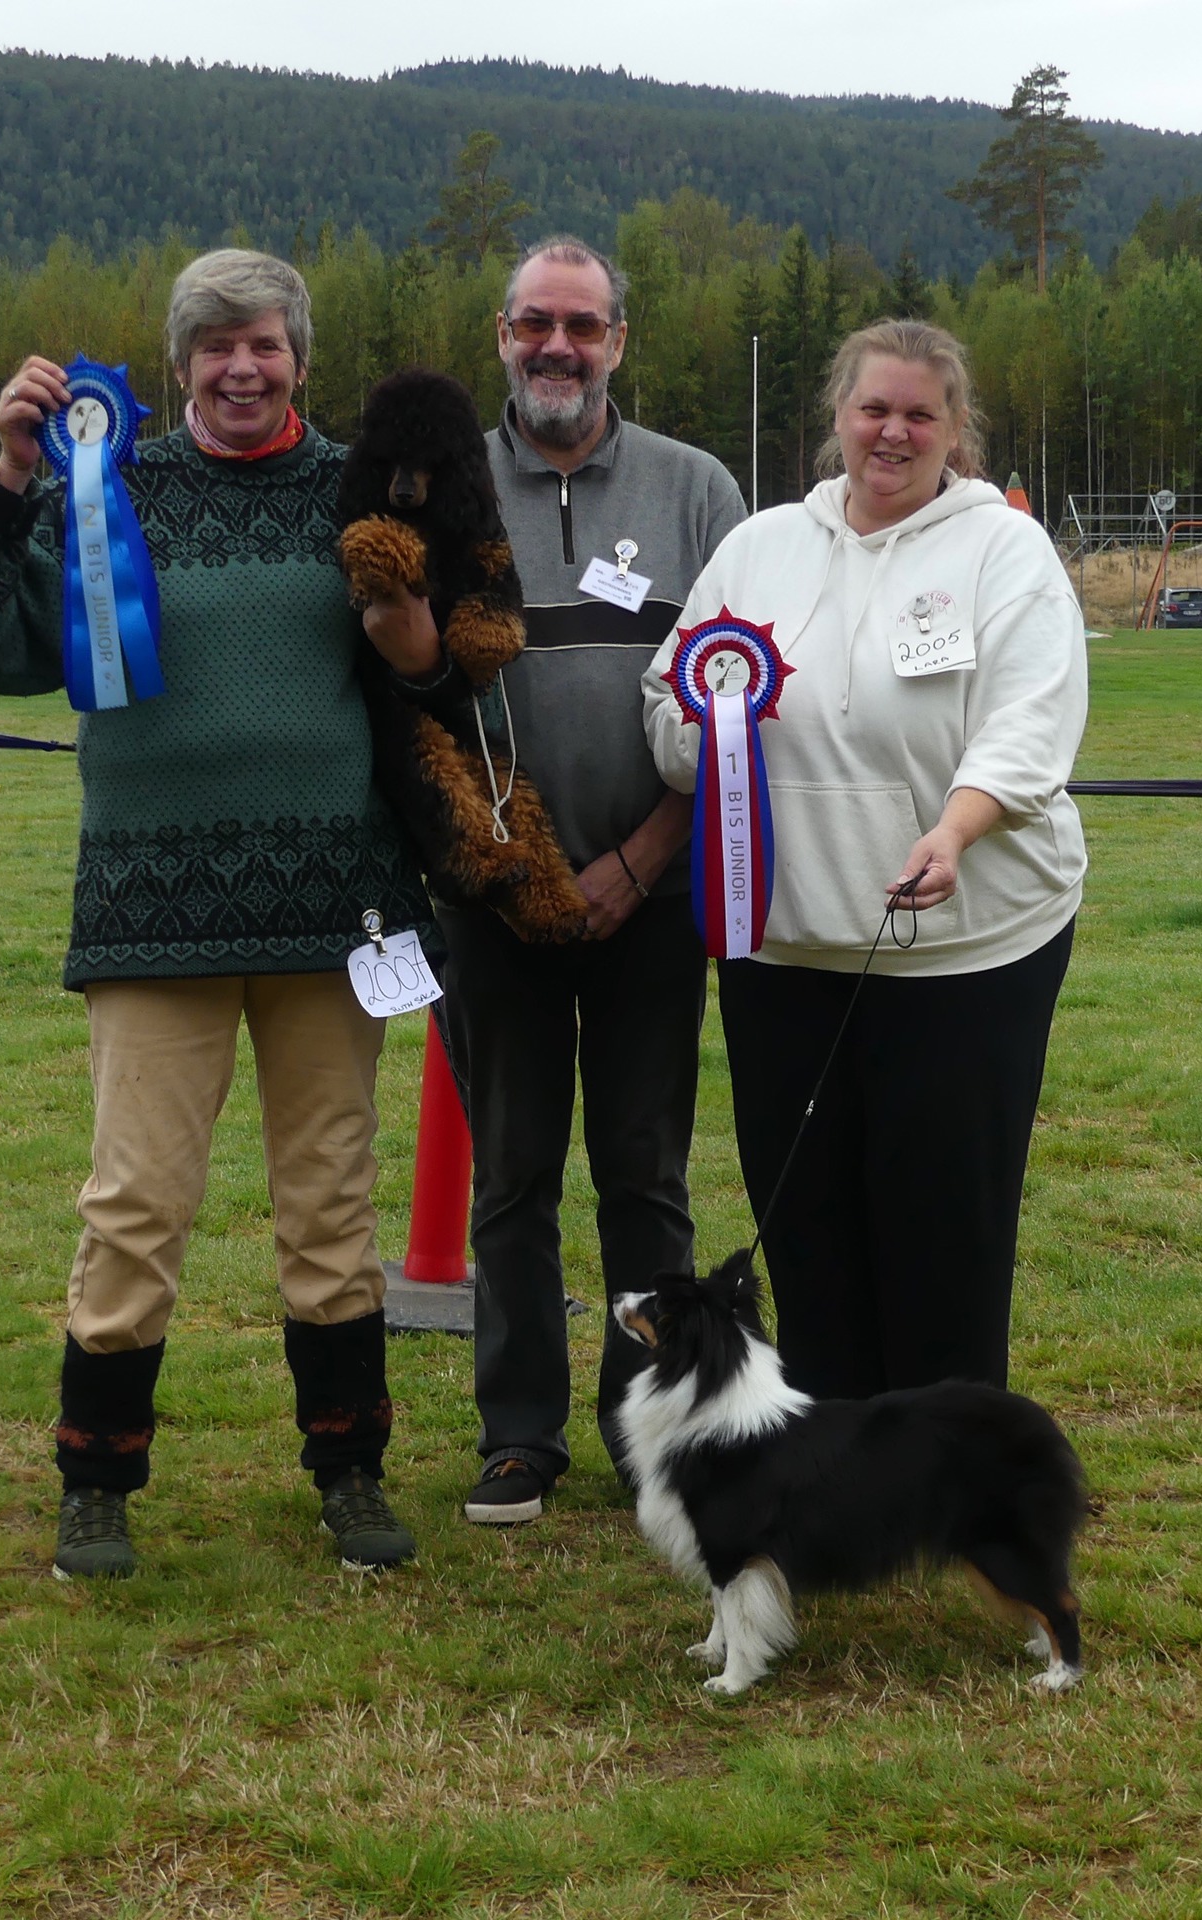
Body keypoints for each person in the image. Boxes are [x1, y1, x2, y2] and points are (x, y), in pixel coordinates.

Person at [0, 250, 436, 1579]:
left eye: (263, 344)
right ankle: (96, 1483)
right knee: (135, 1203)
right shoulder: (101, 484)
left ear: (300, 357)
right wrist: (9, 473)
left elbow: (433, 660)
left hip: (333, 910)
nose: (241, 368)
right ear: (179, 363)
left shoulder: (358, 492)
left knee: (331, 1204)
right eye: (215, 347)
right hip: (151, 907)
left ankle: (350, 1472)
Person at [360, 236, 747, 1524]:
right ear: (501, 333)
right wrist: (499, 867)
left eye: (582, 325)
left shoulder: (698, 491)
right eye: (535, 323)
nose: (557, 348)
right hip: (491, 903)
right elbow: (405, 685)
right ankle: (518, 1435)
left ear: (618, 341)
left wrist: (639, 863)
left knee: (645, 1177)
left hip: (652, 898)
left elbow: (742, 714)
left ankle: (652, 1435)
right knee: (511, 1177)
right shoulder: (438, 489)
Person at [642, 319, 1085, 1400]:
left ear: (954, 428)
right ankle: (835, 1456)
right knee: (806, 1234)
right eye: (873, 408)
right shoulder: (760, 547)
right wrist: (706, 739)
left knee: (944, 1236)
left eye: (919, 414)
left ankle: (948, 1459)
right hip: (782, 953)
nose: (893, 432)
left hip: (965, 955)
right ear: (837, 416)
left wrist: (958, 827)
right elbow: (668, 695)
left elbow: (1031, 718)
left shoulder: (1004, 550)